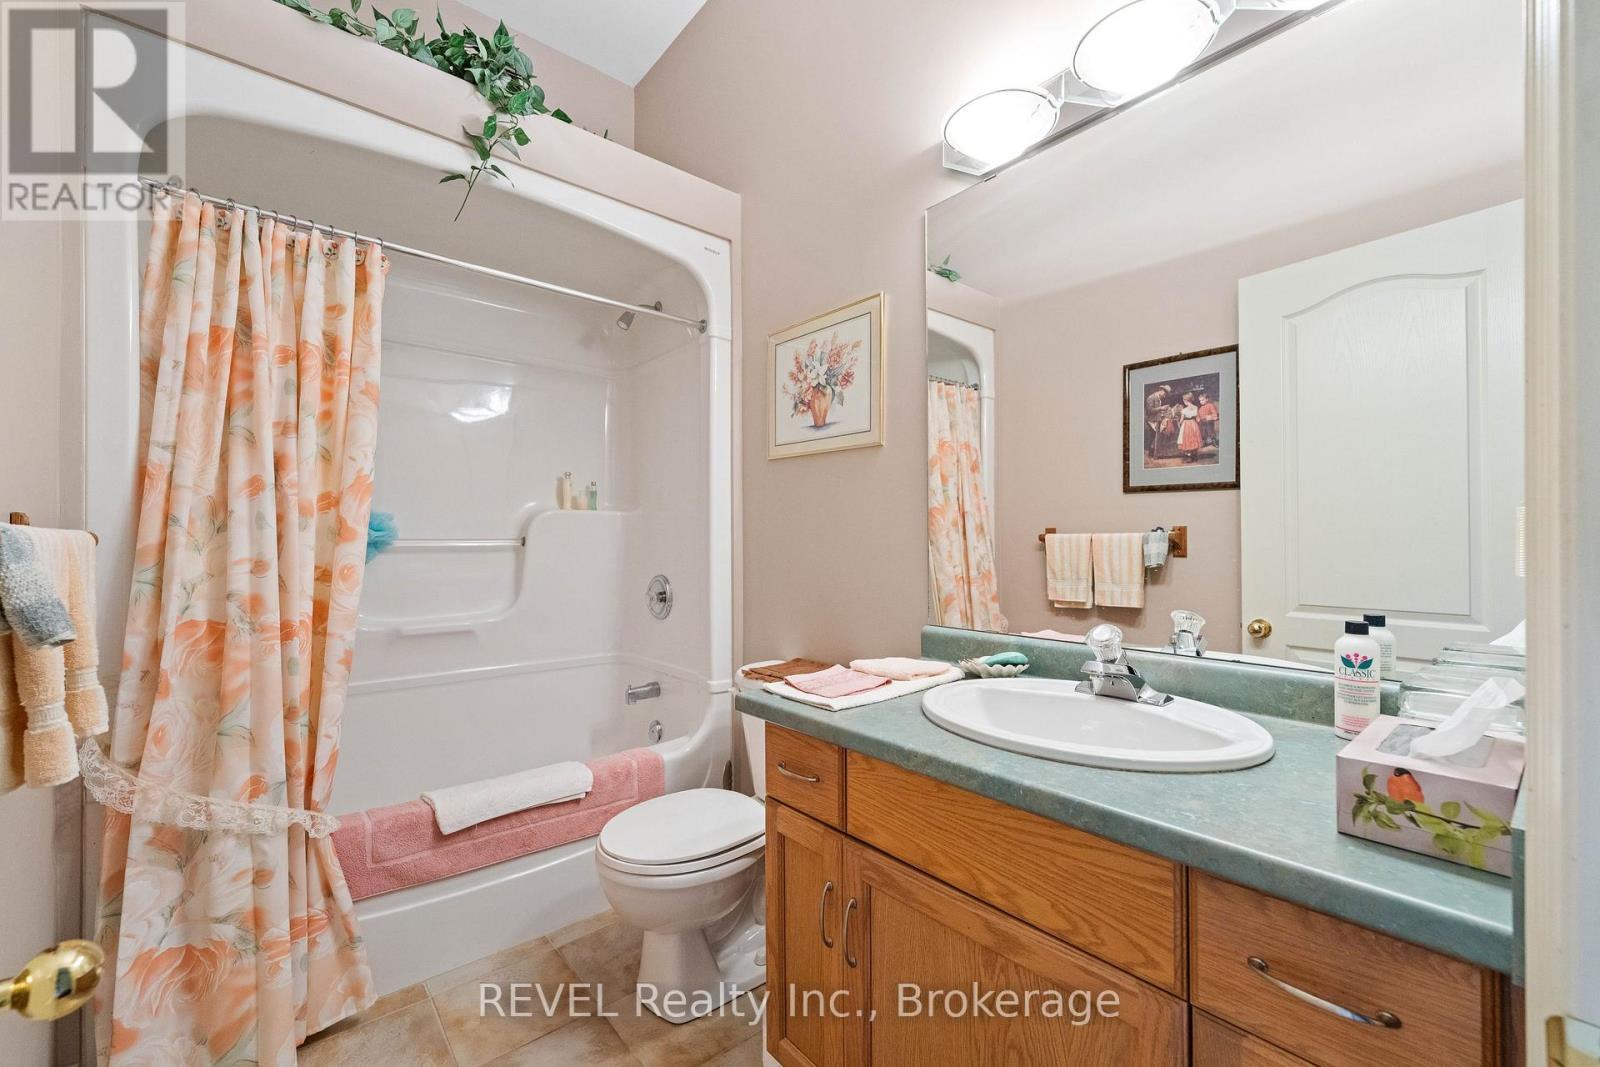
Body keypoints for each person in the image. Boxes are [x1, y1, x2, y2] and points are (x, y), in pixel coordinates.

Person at [1176, 391, 1202, 458]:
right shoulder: (1196, 408)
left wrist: (1178, 422)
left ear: (1185, 400)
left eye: (1183, 400)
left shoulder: (1184, 410)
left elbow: (1181, 421)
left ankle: (1189, 455)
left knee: (1186, 438)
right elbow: (1198, 419)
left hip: (1186, 425)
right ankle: (1194, 454)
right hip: (1194, 424)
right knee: (1194, 438)